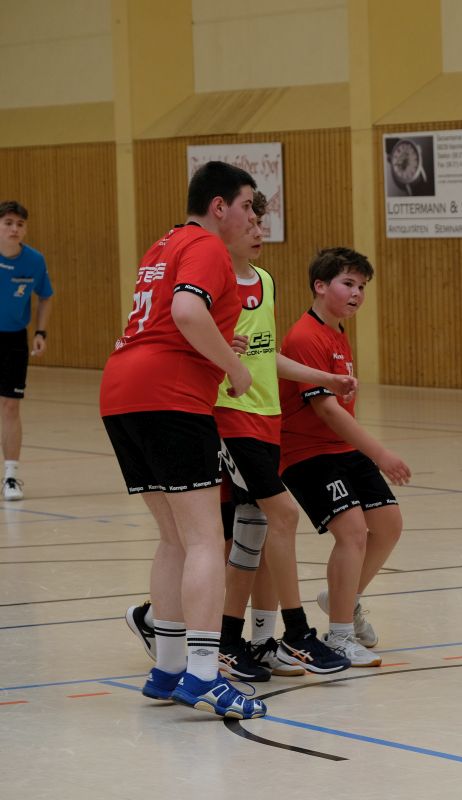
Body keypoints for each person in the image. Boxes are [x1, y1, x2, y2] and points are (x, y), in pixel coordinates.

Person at [125, 191, 353, 680]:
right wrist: (223, 353)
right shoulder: (211, 279)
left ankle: (243, 636)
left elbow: (265, 356)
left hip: (266, 417)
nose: (256, 229)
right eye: (249, 219)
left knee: (250, 533)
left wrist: (323, 378)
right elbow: (191, 336)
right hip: (228, 415)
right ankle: (284, 633)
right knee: (269, 520)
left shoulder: (265, 281)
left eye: (260, 221)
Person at [101, 161, 265, 719]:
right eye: (247, 205)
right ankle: (203, 675)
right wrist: (235, 370)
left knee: (173, 538)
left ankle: (168, 668)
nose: (252, 216)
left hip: (121, 393)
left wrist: (218, 350)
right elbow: (187, 310)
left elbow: (170, 322)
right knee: (203, 540)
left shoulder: (163, 244)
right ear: (219, 206)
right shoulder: (207, 245)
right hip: (168, 397)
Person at [279, 247, 412, 667]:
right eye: (348, 284)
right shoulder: (305, 337)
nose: (357, 294)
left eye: (362, 287)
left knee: (388, 524)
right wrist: (381, 453)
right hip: (306, 452)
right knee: (352, 531)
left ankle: (344, 598)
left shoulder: (337, 332)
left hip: (341, 449)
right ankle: (339, 636)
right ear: (320, 286)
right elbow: (326, 410)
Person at [0, 201, 54, 501]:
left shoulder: (34, 260)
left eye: (19, 224)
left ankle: (10, 476)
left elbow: (45, 296)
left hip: (13, 340)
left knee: (10, 406)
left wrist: (40, 332)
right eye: (8, 223)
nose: (14, 229)